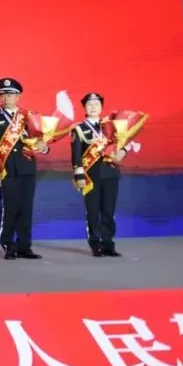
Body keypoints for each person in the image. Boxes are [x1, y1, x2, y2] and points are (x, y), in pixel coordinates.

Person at [0, 78, 49, 260]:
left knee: (26, 208)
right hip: (6, 169)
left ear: (18, 96)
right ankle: (8, 245)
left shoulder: (29, 117)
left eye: (11, 94)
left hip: (27, 168)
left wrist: (44, 147)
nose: (7, 98)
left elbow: (39, 141)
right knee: (10, 208)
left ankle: (24, 246)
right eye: (3, 94)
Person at [71, 92, 125, 257]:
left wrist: (123, 152)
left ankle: (108, 243)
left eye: (96, 104)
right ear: (84, 108)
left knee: (108, 211)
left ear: (101, 107)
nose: (93, 107)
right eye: (89, 104)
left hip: (110, 173)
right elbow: (76, 155)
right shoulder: (79, 129)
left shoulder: (111, 126)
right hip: (90, 176)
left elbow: (123, 143)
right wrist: (79, 176)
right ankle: (95, 244)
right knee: (93, 211)